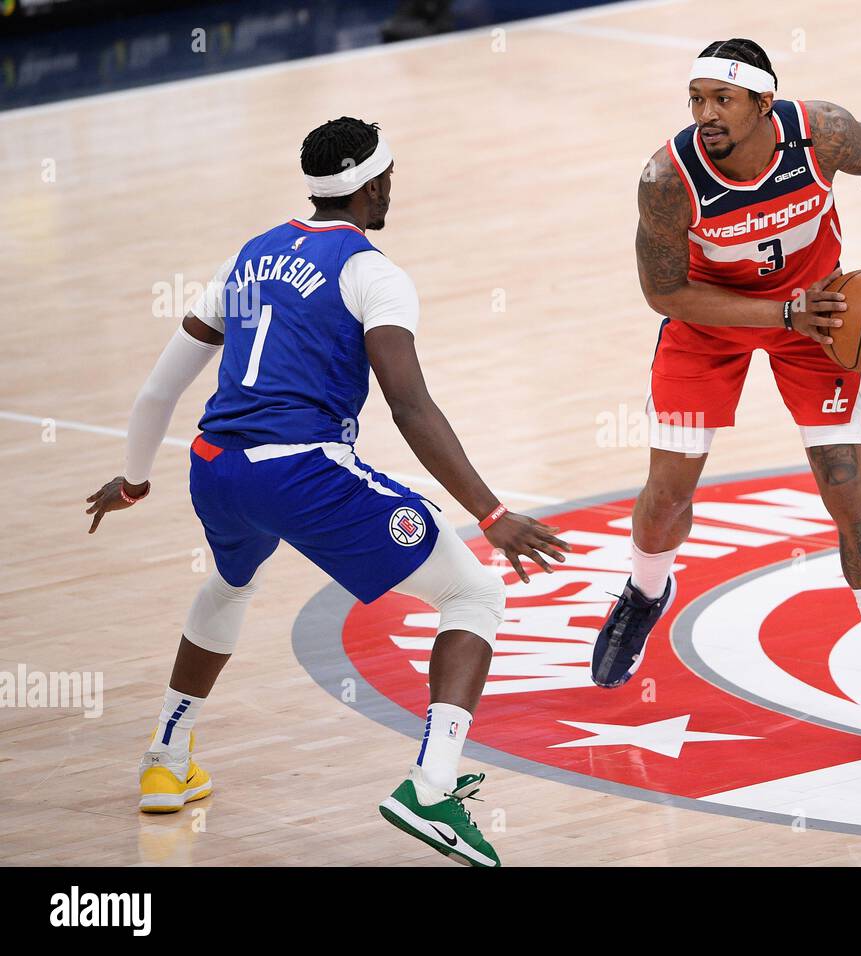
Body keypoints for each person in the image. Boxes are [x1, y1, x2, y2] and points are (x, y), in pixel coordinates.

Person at [84, 117, 569, 868]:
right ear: (374, 184)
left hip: (215, 467)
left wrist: (136, 480)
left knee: (230, 583)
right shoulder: (373, 271)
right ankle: (433, 789)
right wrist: (492, 513)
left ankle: (166, 755)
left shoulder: (247, 255)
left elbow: (157, 390)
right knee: (474, 595)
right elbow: (408, 403)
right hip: (300, 471)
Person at [590, 38, 861, 764]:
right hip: (710, 322)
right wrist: (780, 315)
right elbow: (663, 291)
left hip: (823, 315)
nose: (705, 114)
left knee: (847, 488)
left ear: (763, 105)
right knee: (665, 497)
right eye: (696, 100)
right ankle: (646, 591)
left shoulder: (824, 133)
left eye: (723, 99)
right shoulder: (668, 179)